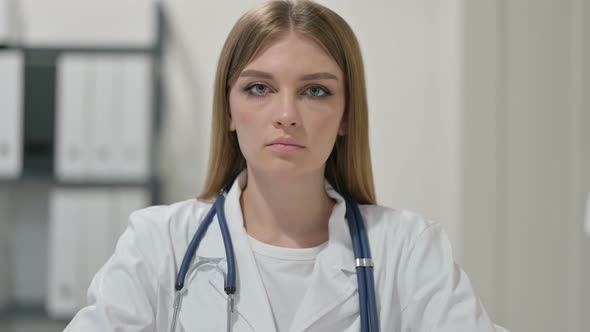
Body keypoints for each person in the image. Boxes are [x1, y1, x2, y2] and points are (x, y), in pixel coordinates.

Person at [65, 1, 509, 331]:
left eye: (315, 91)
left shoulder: (408, 250)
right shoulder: (158, 243)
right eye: (259, 88)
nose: (286, 114)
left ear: (347, 116)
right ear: (228, 112)